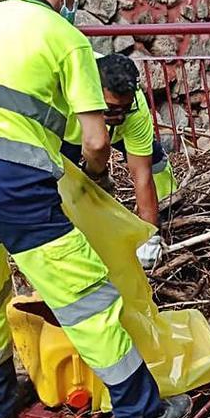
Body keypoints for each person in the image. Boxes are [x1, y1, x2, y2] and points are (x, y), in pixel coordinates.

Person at [0, 0, 190, 418]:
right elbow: (94, 139)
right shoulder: (65, 38)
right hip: (14, 186)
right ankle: (137, 409)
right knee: (88, 299)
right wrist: (93, 183)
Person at [61, 53, 176, 268]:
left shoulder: (135, 110)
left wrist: (150, 235)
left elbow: (142, 175)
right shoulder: (61, 97)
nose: (119, 115)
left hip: (117, 134)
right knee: (61, 181)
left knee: (156, 163)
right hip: (69, 134)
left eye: (125, 107)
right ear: (91, 93)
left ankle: (171, 205)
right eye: (111, 108)